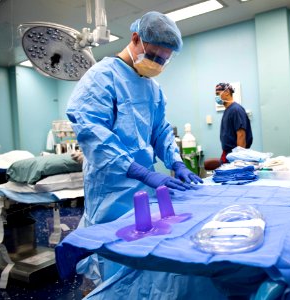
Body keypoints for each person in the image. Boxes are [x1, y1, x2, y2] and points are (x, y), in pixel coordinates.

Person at [66, 11, 202, 289]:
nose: (157, 64)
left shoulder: (153, 89)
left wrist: (176, 163)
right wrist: (138, 170)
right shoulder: (101, 77)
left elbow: (160, 130)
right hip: (110, 192)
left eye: (164, 60)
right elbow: (93, 132)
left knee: (141, 260)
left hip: (142, 194)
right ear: (136, 39)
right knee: (112, 266)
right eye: (153, 56)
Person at [215, 82, 253, 163]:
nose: (216, 97)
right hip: (228, 154)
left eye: (218, 94)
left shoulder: (236, 110)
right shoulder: (228, 110)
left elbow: (241, 135)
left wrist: (238, 160)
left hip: (235, 156)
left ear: (227, 92)